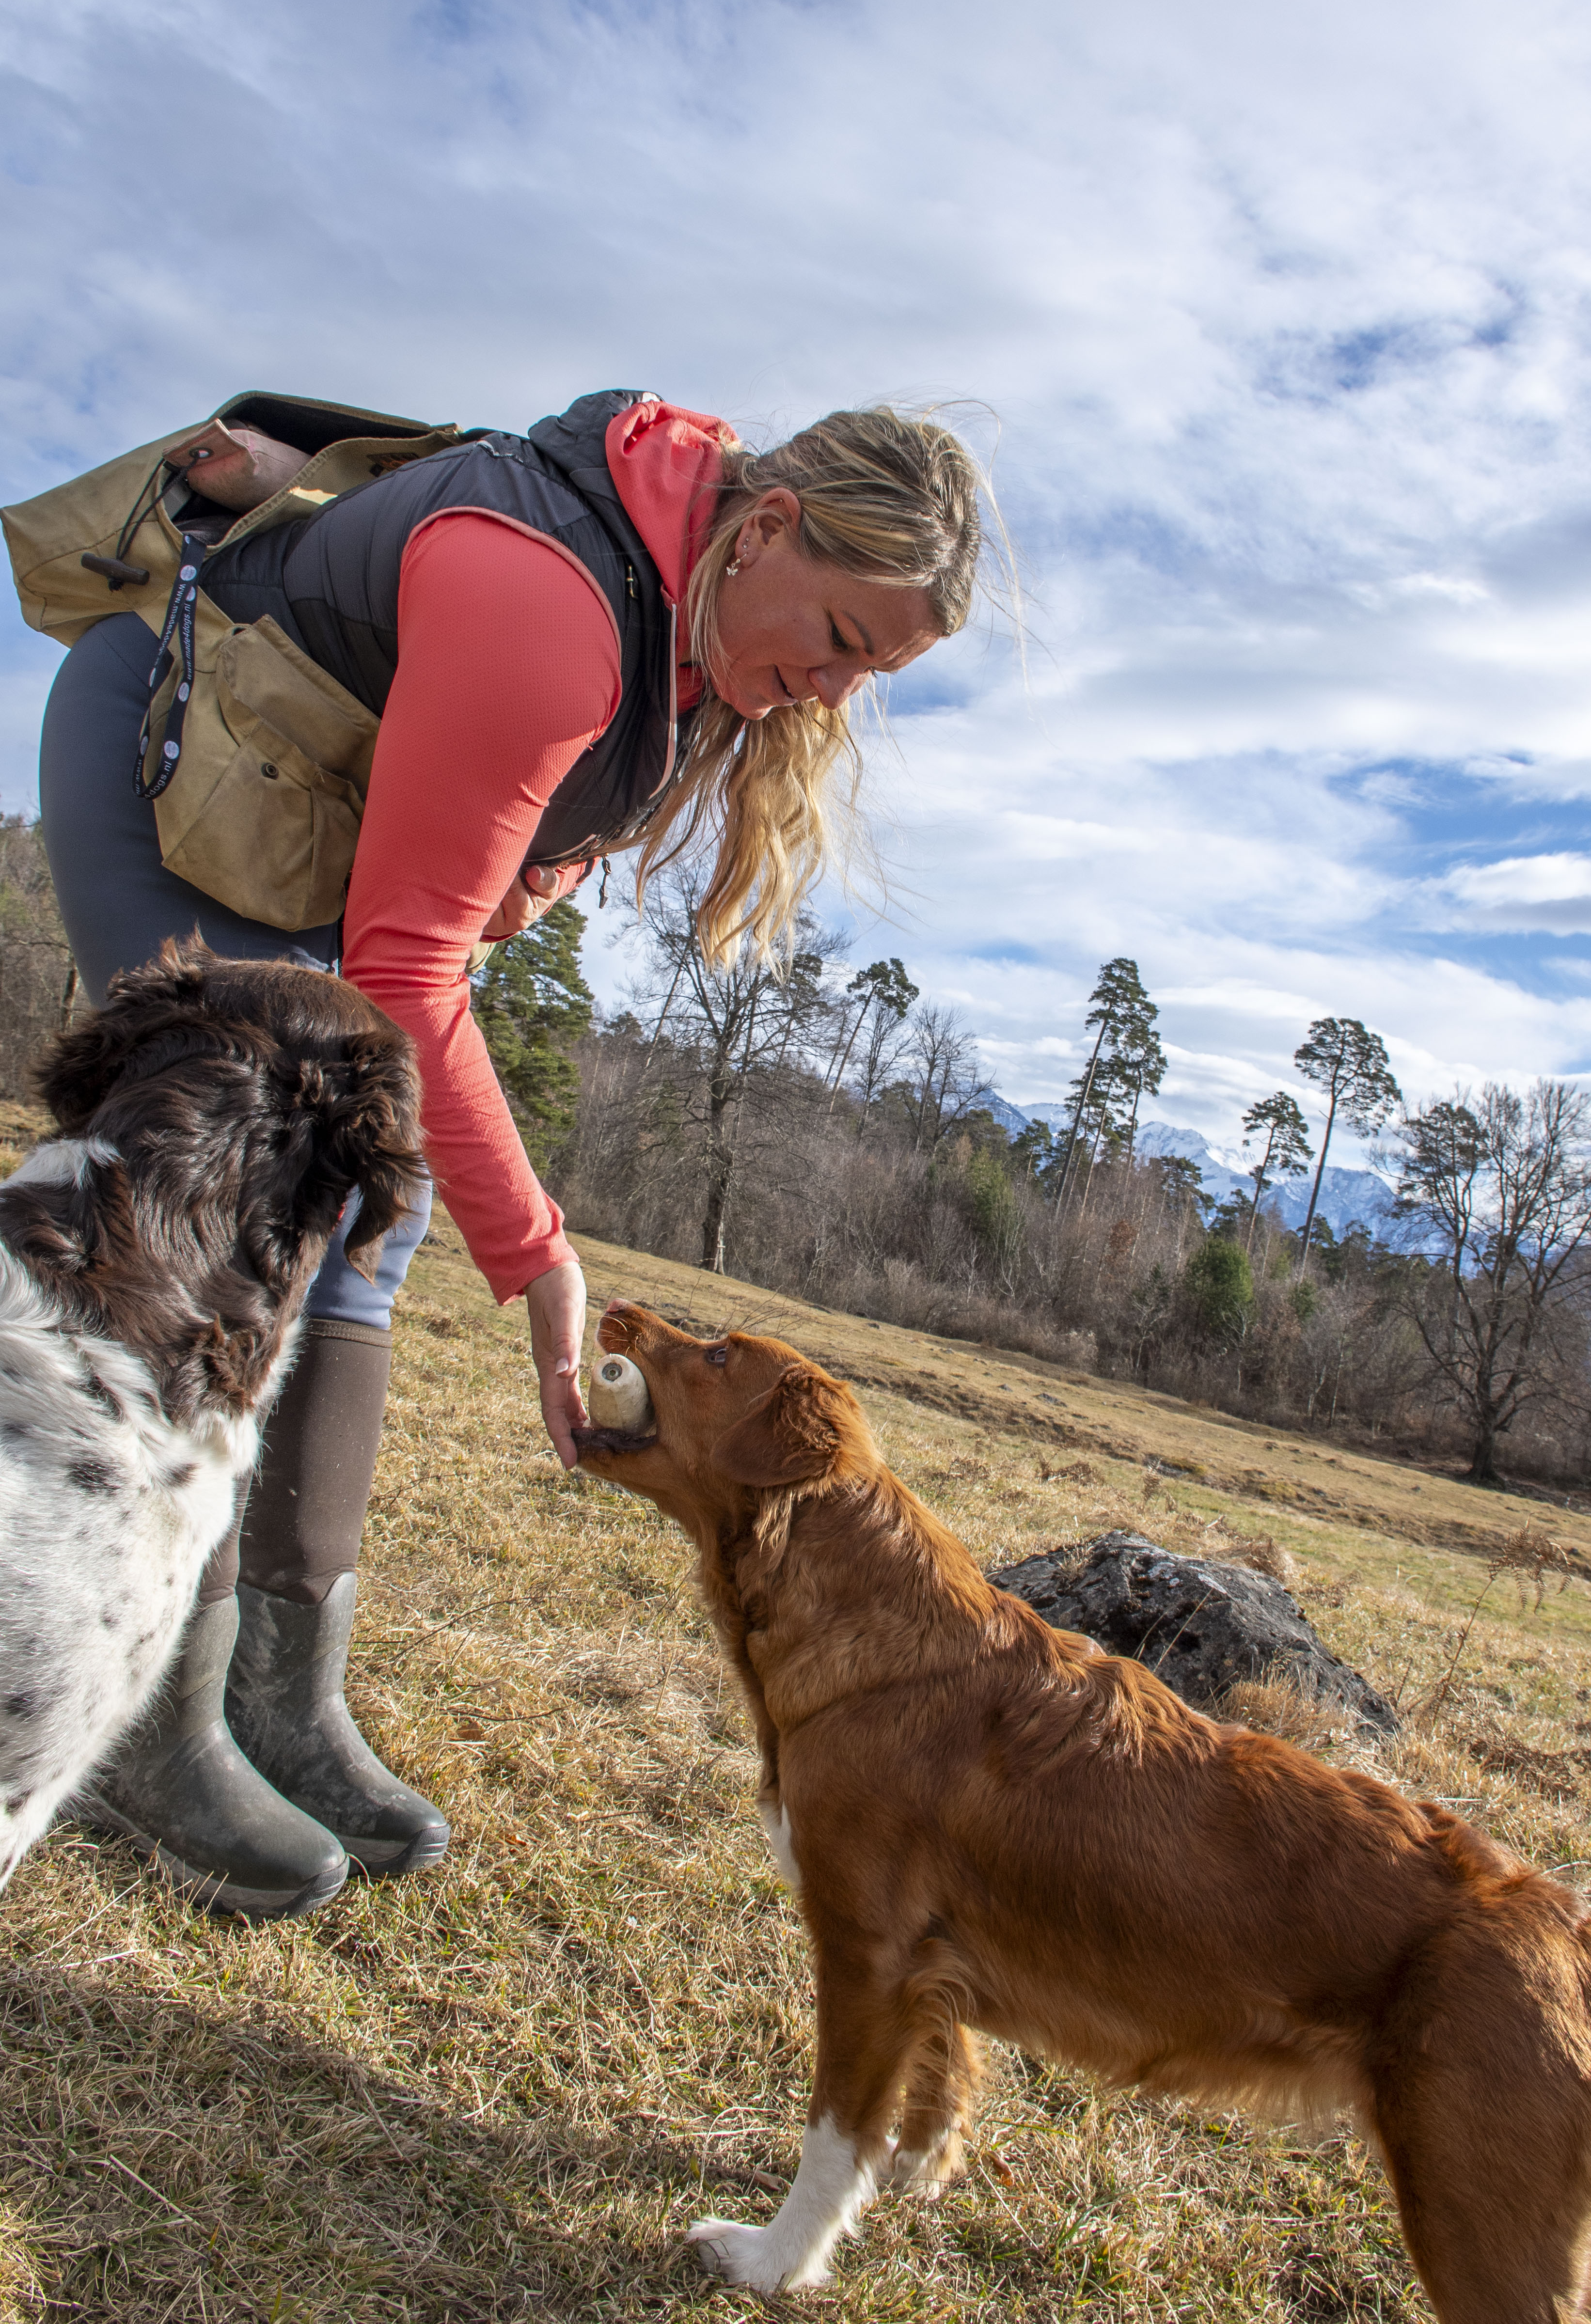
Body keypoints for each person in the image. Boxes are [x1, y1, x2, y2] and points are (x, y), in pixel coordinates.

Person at [35, 387, 989, 1918]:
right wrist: (539, 1255)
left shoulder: (692, 612)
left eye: (869, 674)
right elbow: (409, 973)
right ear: (765, 529)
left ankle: (285, 1696)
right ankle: (156, 1719)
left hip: (308, 818)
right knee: (222, 1200)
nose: (830, 693)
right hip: (174, 758)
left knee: (368, 1218)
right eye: (841, 640)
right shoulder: (555, 602)